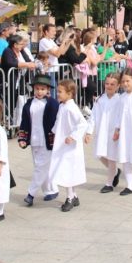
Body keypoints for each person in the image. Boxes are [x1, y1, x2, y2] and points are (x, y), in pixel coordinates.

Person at [17, 75, 59, 206]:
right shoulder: (28, 104)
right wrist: (23, 138)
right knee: (40, 166)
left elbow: (58, 121)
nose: (39, 91)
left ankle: (31, 194)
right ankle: (51, 190)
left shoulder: (52, 104)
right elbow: (24, 122)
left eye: (42, 89)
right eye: (37, 88)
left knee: (41, 167)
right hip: (34, 139)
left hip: (48, 140)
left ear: (48, 90)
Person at [48, 79, 88, 212]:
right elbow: (59, 122)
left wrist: (73, 136)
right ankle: (74, 195)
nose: (57, 94)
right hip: (62, 144)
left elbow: (82, 123)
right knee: (65, 170)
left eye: (60, 92)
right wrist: (53, 132)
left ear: (70, 93)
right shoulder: (62, 106)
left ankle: (70, 197)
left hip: (70, 146)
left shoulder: (72, 108)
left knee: (66, 171)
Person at [89, 73, 122, 192]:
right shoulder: (100, 100)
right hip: (101, 131)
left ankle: (109, 183)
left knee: (111, 157)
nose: (109, 86)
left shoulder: (120, 100)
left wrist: (118, 129)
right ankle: (116, 171)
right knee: (100, 154)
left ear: (118, 86)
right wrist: (89, 131)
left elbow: (121, 116)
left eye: (112, 84)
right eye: (107, 83)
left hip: (113, 133)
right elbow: (93, 116)